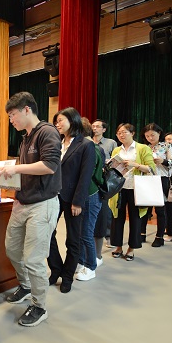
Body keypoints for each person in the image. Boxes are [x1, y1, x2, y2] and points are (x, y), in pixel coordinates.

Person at [0, 91, 60, 327]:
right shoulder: (26, 138)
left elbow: (50, 165)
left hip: (42, 204)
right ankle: (25, 286)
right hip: (22, 202)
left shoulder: (47, 132)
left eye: (12, 115)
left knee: (34, 259)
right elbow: (27, 170)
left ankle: (39, 305)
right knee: (12, 250)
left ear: (27, 110)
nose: (11, 120)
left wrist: (16, 169)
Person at [48, 108, 95, 291]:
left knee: (73, 240)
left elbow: (85, 176)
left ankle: (67, 276)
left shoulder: (85, 145)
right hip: (53, 195)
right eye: (56, 121)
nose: (57, 124)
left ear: (72, 121)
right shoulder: (56, 143)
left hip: (73, 197)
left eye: (60, 120)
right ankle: (56, 269)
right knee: (47, 234)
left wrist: (78, 201)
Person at [108, 123, 156, 261]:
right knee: (117, 218)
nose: (121, 135)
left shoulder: (142, 148)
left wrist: (135, 165)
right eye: (119, 133)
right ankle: (118, 246)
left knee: (135, 219)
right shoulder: (117, 150)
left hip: (136, 188)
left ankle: (131, 248)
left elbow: (151, 169)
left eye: (124, 132)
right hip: (119, 188)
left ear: (132, 133)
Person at [140, 123, 172, 247]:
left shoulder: (167, 146)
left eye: (152, 135)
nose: (150, 138)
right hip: (146, 178)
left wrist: (163, 161)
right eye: (147, 136)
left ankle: (159, 236)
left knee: (160, 209)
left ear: (159, 133)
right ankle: (141, 234)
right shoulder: (144, 147)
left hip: (161, 178)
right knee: (144, 208)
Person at [76, 117, 104, 280]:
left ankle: (90, 266)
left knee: (86, 232)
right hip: (83, 194)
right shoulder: (84, 146)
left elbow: (90, 175)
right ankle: (81, 262)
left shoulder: (90, 147)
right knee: (80, 233)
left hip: (91, 194)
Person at [91, 119, 117, 248]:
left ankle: (108, 236)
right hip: (91, 179)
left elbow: (116, 160)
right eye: (93, 126)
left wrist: (107, 164)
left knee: (106, 210)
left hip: (105, 178)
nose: (95, 128)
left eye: (98, 126)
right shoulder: (88, 141)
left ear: (104, 129)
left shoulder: (110, 143)